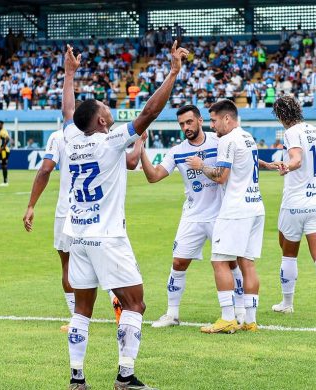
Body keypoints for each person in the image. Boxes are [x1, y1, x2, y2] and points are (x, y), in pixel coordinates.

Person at [61, 42, 188, 390]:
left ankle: (77, 378)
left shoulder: (72, 140)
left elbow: (69, 112)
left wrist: (69, 75)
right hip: (107, 237)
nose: (109, 109)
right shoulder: (108, 140)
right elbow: (148, 112)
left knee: (82, 310)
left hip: (79, 238)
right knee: (135, 302)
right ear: (102, 120)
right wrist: (174, 72)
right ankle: (125, 376)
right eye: (105, 107)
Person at [23, 98, 146, 333]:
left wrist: (31, 205)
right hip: (103, 217)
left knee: (68, 266)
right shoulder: (108, 139)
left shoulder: (63, 135)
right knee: (112, 269)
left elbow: (46, 169)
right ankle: (118, 308)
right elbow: (132, 162)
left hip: (69, 213)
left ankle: (75, 318)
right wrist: (140, 141)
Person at [138, 105, 245, 328]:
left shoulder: (220, 142)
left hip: (220, 215)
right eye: (181, 125)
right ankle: (172, 314)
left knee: (231, 262)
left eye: (189, 122)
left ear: (199, 120)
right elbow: (154, 176)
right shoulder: (178, 150)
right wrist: (141, 151)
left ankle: (240, 311)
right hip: (193, 216)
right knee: (178, 262)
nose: (185, 127)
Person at [187, 99, 276, 333]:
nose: (212, 126)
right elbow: (247, 164)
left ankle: (227, 317)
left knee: (219, 260)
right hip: (256, 207)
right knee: (247, 263)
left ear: (227, 118)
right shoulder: (247, 137)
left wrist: (199, 165)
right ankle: (250, 320)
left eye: (214, 121)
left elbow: (220, 176)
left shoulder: (227, 139)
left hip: (236, 210)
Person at [270, 95, 316, 321]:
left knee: (288, 253)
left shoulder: (291, 133)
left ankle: (287, 303)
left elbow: (297, 159)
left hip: (295, 203)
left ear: (281, 115)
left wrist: (286, 166)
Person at [0, 120, 10, 186]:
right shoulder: (1, 132)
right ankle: (5, 181)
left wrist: (2, 147)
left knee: (4, 165)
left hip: (4, 151)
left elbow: (7, 138)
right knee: (2, 166)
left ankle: (5, 182)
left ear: (2, 125)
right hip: (2, 151)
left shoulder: (3, 131)